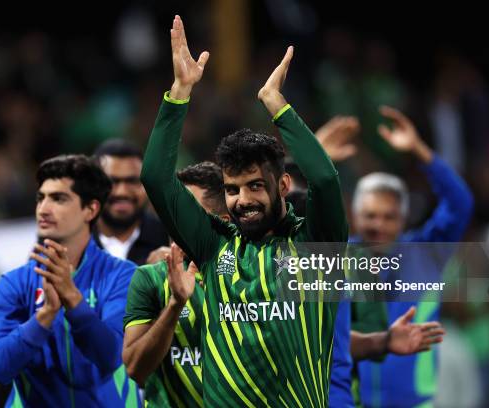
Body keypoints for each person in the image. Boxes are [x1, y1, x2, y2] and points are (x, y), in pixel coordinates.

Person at [141, 15, 347, 407]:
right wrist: (180, 91)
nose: (242, 200)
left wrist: (276, 104)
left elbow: (323, 180)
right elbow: (154, 177)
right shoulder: (212, 245)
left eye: (255, 186)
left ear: (283, 185)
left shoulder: (315, 243)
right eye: (233, 189)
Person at [0, 155, 139, 407]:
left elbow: (111, 355)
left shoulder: (122, 276)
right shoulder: (14, 283)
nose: (43, 209)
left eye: (58, 199)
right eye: (41, 197)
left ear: (91, 209)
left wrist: (73, 301)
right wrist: (44, 316)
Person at [349, 107, 474, 407]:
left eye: (388, 217)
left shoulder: (427, 252)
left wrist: (420, 152)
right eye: (370, 216)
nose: (378, 225)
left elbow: (460, 204)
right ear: (354, 217)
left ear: (403, 220)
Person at [122, 161, 228, 407]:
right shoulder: (150, 278)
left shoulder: (254, 271)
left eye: (184, 212)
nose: (172, 221)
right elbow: (135, 369)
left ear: (221, 221)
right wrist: (174, 305)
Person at [94, 139, 169, 265]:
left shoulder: (169, 240)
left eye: (133, 181)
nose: (122, 192)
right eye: (112, 181)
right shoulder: (73, 240)